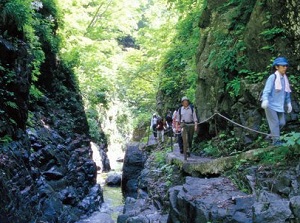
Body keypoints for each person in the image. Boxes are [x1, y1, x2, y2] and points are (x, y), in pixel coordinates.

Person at [261, 57, 292, 146]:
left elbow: (287, 92)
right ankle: (276, 142)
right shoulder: (273, 77)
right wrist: (265, 99)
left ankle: (271, 135)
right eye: (283, 66)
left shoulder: (285, 78)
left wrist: (289, 103)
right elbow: (266, 90)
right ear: (277, 67)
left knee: (282, 123)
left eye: (286, 66)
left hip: (279, 105)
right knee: (274, 122)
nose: (285, 67)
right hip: (270, 104)